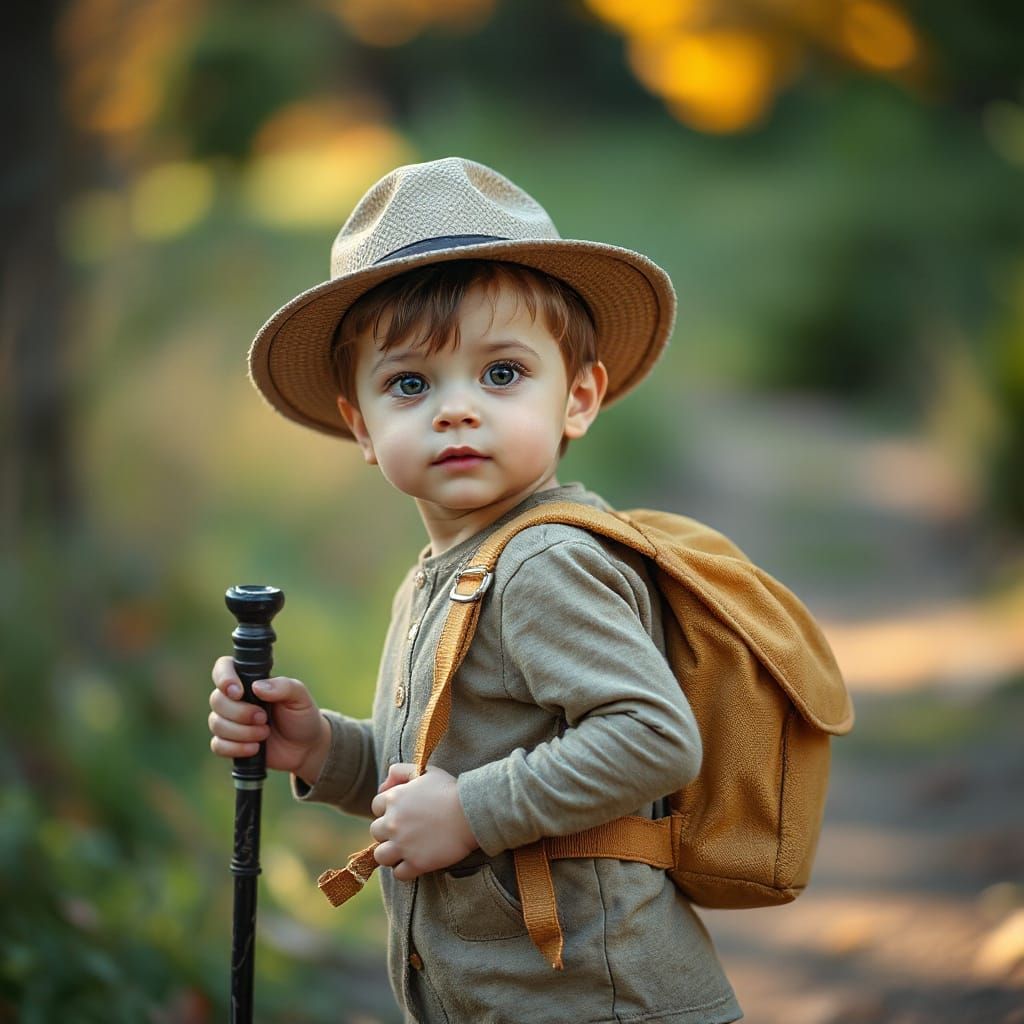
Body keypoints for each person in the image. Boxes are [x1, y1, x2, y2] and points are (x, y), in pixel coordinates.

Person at [208, 157, 743, 1023]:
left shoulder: (544, 564)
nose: (456, 409)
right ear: (364, 428)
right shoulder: (443, 572)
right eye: (410, 384)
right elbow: (443, 767)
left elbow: (653, 738)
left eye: (501, 374)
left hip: (601, 1003)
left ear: (577, 398)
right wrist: (319, 750)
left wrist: (472, 812)